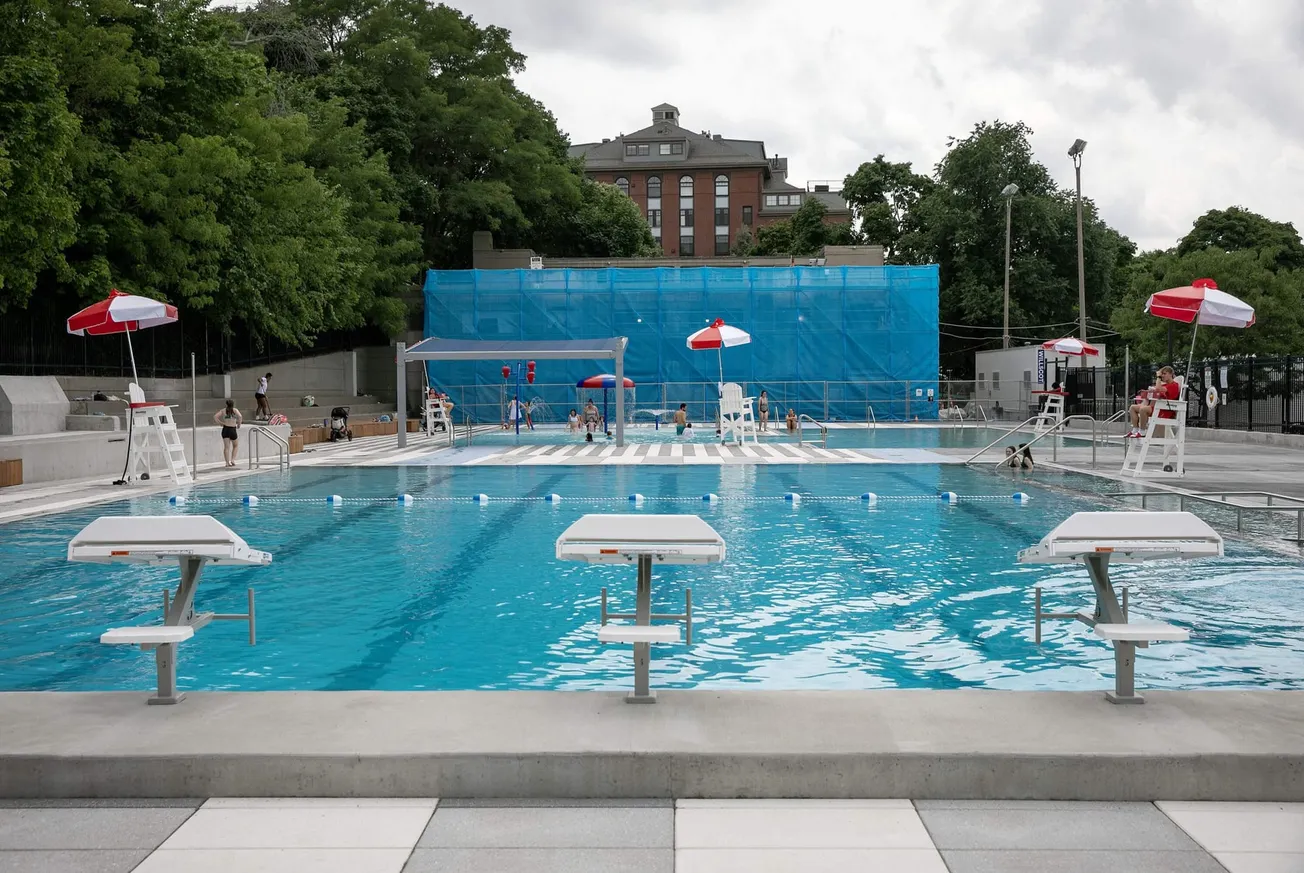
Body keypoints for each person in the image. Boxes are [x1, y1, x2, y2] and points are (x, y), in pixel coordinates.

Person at [1128, 366, 1179, 437]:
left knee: (1143, 409)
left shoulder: (1174, 385)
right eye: (1162, 374)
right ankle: (1135, 429)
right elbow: (1157, 389)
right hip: (1156, 407)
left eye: (1165, 374)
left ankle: (1142, 431)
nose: (1163, 376)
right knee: (1132, 407)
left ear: (1170, 374)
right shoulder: (1165, 384)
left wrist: (1158, 377)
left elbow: (1158, 388)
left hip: (1164, 410)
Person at [213, 399, 242, 467]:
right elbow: (240, 416)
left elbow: (215, 416)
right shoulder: (235, 410)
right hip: (232, 429)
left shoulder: (223, 410)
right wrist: (239, 424)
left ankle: (227, 463)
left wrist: (220, 423)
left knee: (226, 447)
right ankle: (232, 460)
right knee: (235, 445)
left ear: (227, 404)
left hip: (225, 429)